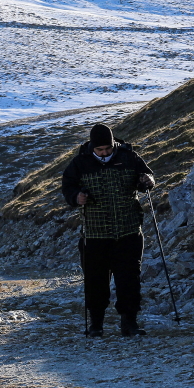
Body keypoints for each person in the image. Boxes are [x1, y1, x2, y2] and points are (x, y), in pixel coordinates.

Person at [61, 123, 155, 337]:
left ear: (113, 144)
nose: (104, 153)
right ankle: (96, 324)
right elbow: (67, 186)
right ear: (92, 147)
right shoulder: (79, 163)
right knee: (95, 279)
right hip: (95, 234)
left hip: (129, 230)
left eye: (108, 149)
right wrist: (76, 197)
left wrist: (148, 180)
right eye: (100, 150)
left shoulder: (129, 157)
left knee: (129, 278)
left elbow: (147, 177)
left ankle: (129, 323)